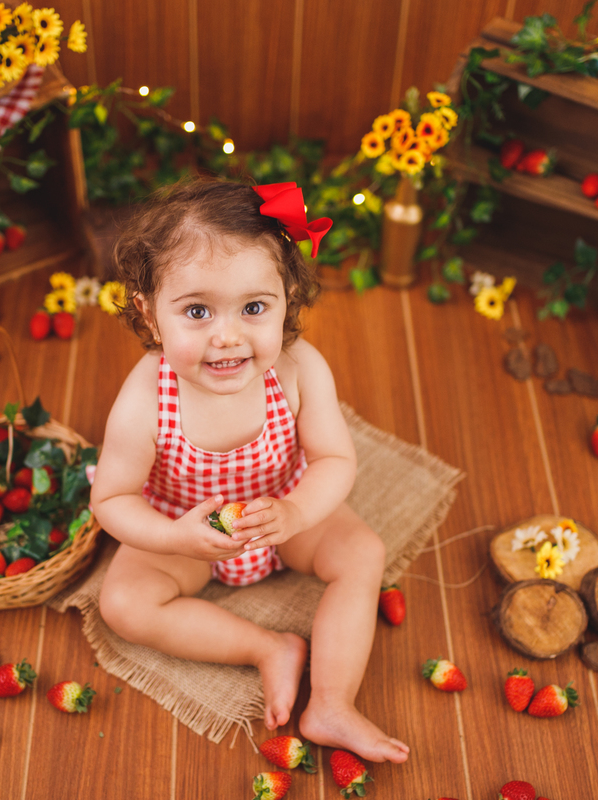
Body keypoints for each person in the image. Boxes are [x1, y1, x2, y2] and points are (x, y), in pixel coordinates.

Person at [90, 180, 409, 764]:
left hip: (280, 509)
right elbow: (111, 499)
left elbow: (336, 460)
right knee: (124, 605)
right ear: (150, 315)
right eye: (196, 311)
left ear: (287, 298)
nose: (228, 335)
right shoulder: (145, 396)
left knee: (362, 553)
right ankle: (267, 647)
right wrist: (175, 536)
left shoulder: (299, 368)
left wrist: (295, 512)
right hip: (181, 527)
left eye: (254, 307)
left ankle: (333, 703)